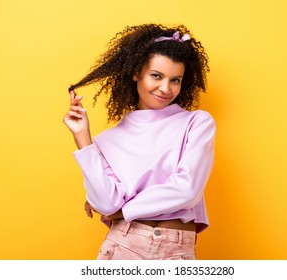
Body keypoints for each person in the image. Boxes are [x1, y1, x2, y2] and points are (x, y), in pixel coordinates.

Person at [63, 24, 216, 260]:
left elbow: (187, 189)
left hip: (175, 251)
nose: (166, 88)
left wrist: (124, 210)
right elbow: (105, 203)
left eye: (175, 80)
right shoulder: (107, 141)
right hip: (121, 247)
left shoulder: (197, 123)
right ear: (136, 73)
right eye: (156, 76)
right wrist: (82, 137)